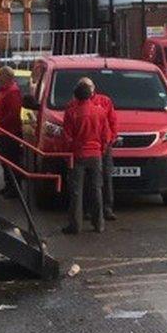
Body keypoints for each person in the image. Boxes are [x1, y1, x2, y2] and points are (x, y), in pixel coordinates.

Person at [62, 81, 111, 235]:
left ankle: (75, 225)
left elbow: (67, 137)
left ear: (76, 96)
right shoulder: (100, 112)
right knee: (96, 188)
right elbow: (106, 135)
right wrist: (101, 150)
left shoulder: (71, 112)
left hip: (78, 154)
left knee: (76, 191)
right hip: (95, 154)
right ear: (91, 95)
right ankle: (99, 224)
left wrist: (69, 152)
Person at [83, 78, 118, 221]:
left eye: (89, 87)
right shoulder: (76, 104)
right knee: (88, 180)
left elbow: (112, 122)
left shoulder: (104, 101)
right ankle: (88, 209)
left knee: (106, 177)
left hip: (102, 146)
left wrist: (110, 141)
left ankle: (107, 208)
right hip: (88, 147)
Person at [0, 66, 24, 199]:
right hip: (2, 132)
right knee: (5, 161)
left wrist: (0, 123)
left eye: (0, 75)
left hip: (9, 133)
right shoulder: (4, 91)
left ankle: (14, 188)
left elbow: (13, 113)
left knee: (11, 161)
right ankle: (9, 185)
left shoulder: (12, 92)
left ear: (6, 77)